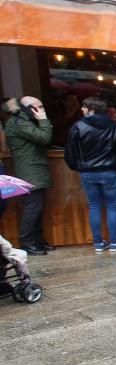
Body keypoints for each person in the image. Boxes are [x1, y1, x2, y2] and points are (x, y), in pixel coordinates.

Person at [65, 97, 116, 253]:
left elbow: (70, 151)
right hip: (109, 171)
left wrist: (76, 166)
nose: (82, 110)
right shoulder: (114, 127)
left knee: (94, 207)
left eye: (84, 107)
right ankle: (114, 242)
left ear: (91, 109)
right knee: (112, 207)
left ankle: (98, 243)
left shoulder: (78, 127)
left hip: (87, 172)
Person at [5, 96, 54, 255]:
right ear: (28, 108)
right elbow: (44, 137)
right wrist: (44, 120)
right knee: (33, 208)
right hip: (29, 170)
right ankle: (27, 242)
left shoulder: (24, 120)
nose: (42, 110)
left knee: (36, 208)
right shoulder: (19, 122)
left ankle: (37, 241)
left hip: (33, 168)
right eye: (38, 107)